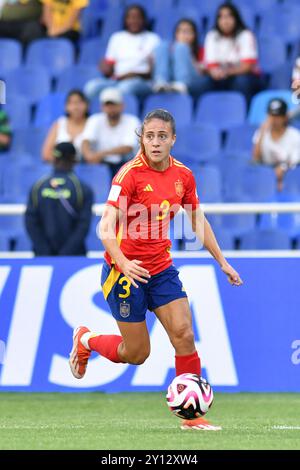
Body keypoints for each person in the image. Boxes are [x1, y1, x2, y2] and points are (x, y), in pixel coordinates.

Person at [69, 109, 243, 431]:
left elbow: (196, 219)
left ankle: (191, 417)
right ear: (142, 140)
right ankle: (87, 340)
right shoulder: (128, 175)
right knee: (136, 354)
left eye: (162, 136)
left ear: (173, 139)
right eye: (149, 136)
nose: (156, 142)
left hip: (160, 268)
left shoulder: (184, 176)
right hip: (123, 271)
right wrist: (123, 262)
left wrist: (222, 261)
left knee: (185, 334)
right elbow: (105, 228)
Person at [25, 142, 93, 256]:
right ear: (74, 160)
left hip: (43, 257)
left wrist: (44, 250)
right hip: (73, 257)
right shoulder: (82, 188)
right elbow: (83, 225)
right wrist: (66, 253)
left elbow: (31, 221)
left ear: (54, 159)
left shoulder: (38, 186)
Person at [84, 5, 160, 100]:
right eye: (130, 17)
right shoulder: (117, 37)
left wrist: (133, 74)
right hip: (117, 80)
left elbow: (154, 72)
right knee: (91, 87)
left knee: (124, 89)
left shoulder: (153, 39)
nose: (134, 21)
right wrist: (105, 67)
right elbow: (110, 67)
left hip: (141, 81)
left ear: (144, 20)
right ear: (125, 20)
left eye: (137, 17)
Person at [202, 2, 261, 104]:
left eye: (229, 16)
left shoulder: (246, 35)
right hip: (221, 76)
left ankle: (242, 111)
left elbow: (247, 66)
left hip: (244, 75)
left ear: (236, 18)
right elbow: (211, 65)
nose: (225, 21)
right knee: (203, 83)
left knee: (241, 82)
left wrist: (226, 72)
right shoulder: (212, 35)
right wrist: (215, 72)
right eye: (221, 17)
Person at [81, 87, 140, 180]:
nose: (110, 108)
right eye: (107, 105)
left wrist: (100, 154)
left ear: (122, 106)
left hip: (123, 163)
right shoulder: (95, 119)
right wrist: (88, 156)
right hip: (101, 163)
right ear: (102, 107)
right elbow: (85, 141)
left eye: (114, 105)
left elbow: (128, 148)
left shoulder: (132, 121)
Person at [253, 98, 300, 191]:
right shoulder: (261, 133)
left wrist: (282, 169)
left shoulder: (295, 135)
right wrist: (262, 133)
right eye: (272, 116)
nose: (274, 119)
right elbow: (256, 159)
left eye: (278, 116)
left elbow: (295, 163)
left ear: (285, 117)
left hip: (290, 176)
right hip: (265, 176)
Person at [153, 18, 207, 95]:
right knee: (163, 45)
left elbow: (202, 72)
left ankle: (181, 83)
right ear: (176, 34)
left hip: (192, 81)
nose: (184, 35)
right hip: (171, 80)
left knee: (181, 48)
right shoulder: (170, 49)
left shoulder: (201, 50)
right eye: (181, 31)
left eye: (188, 32)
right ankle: (160, 82)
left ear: (194, 34)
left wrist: (188, 55)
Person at [42, 90, 89, 163]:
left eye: (79, 102)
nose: (76, 107)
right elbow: (46, 154)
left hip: (87, 168)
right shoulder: (59, 123)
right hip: (61, 168)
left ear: (87, 105)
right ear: (66, 107)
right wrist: (62, 159)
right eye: (72, 103)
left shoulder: (93, 123)